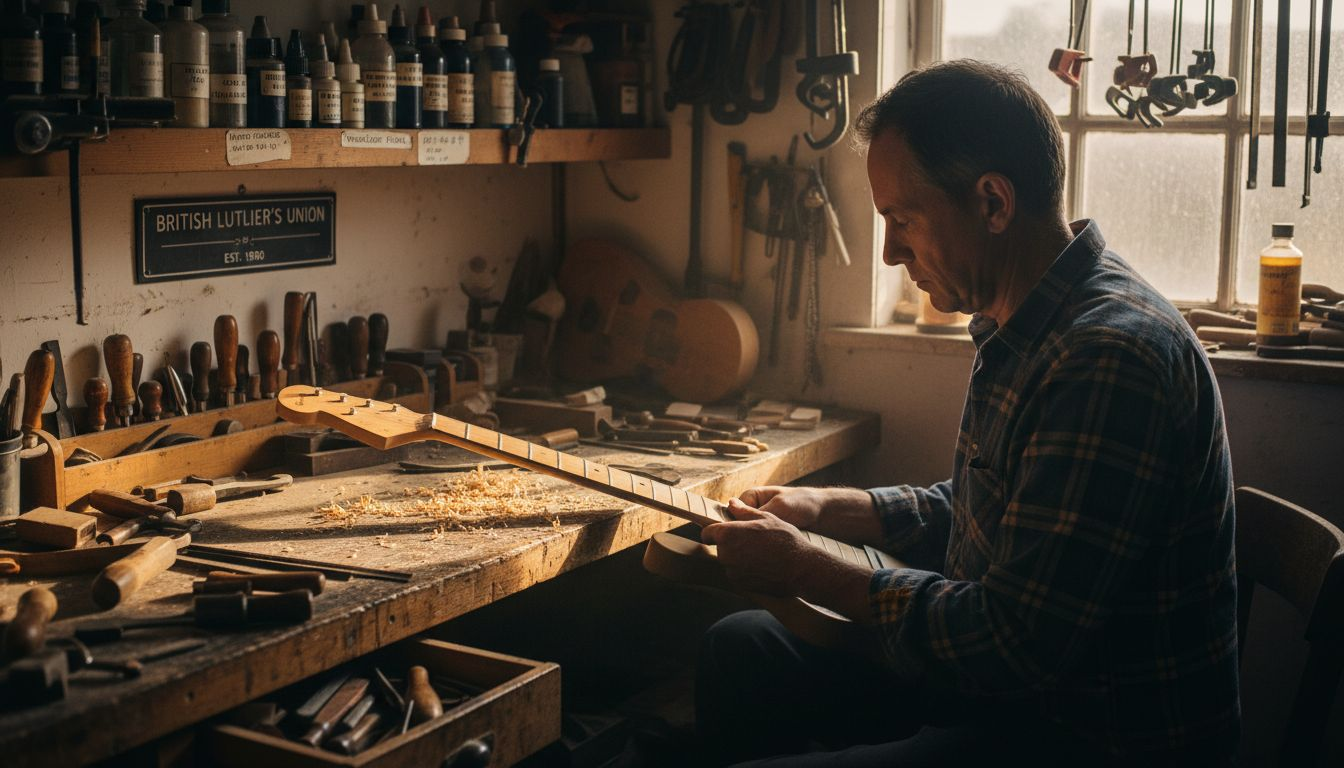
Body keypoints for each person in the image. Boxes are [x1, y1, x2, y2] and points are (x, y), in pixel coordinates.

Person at [696, 60, 1239, 766]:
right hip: (1005, 696)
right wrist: (832, 508)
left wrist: (807, 568)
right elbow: (999, 510)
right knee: (740, 647)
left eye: (903, 220)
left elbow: (1013, 642)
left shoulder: (1106, 357)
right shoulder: (1034, 316)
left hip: (1076, 736)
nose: (890, 252)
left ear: (992, 203)